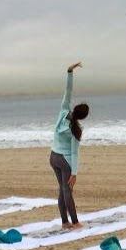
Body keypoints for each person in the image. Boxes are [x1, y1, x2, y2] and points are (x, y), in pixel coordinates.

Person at [50, 62, 89, 229]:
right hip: (65, 160)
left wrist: (69, 72)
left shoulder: (63, 112)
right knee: (67, 191)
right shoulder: (76, 130)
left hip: (53, 156)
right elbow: (74, 153)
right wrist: (74, 173)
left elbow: (68, 91)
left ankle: (64, 222)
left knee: (62, 190)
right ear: (83, 117)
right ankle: (74, 222)